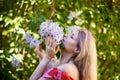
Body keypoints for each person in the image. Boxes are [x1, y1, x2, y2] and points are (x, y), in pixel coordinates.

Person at [29, 28, 97, 80]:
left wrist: (47, 58)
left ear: (77, 49)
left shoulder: (67, 68)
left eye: (71, 37)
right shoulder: (66, 67)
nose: (65, 35)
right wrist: (43, 58)